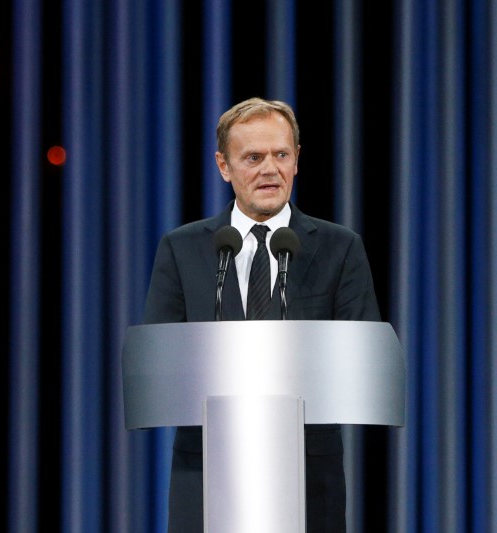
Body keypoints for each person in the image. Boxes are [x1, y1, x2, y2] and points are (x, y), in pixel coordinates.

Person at [142, 96, 381, 532]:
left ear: (296, 161)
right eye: (253, 157)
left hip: (309, 477)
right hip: (207, 473)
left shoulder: (339, 248)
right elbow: (160, 363)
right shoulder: (183, 248)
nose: (270, 169)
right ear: (223, 166)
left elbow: (361, 362)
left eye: (281, 155)